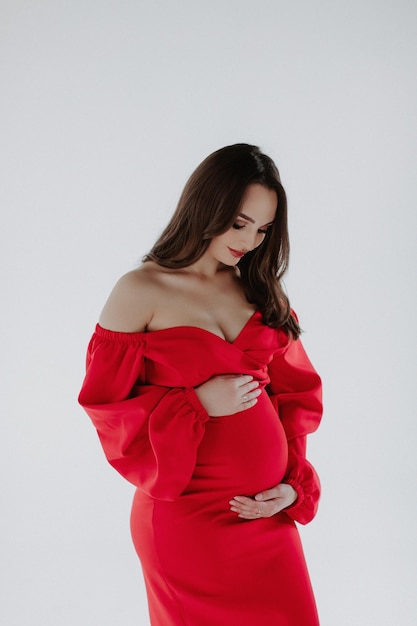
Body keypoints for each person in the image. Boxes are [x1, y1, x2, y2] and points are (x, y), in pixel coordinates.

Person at [78, 143, 323, 626]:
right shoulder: (140, 290)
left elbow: (296, 399)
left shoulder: (259, 289)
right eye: (239, 223)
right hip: (186, 523)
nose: (250, 241)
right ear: (206, 206)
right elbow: (107, 409)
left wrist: (294, 487)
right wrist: (195, 404)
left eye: (263, 229)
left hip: (264, 518)